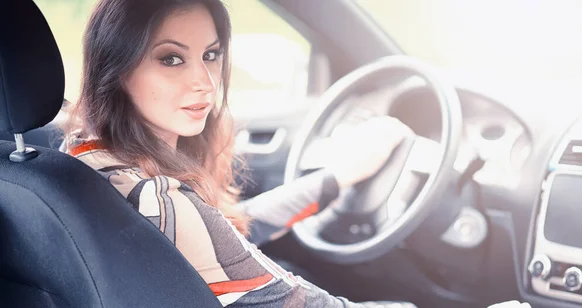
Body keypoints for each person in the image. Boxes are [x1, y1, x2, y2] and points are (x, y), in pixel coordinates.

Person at [63, 0, 417, 306]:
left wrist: (339, 177)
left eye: (211, 55)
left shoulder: (82, 151)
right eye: (171, 59)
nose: (205, 80)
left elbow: (223, 234)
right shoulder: (158, 199)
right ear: (117, 66)